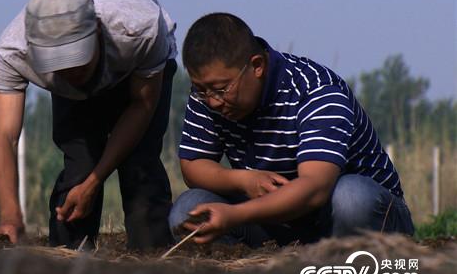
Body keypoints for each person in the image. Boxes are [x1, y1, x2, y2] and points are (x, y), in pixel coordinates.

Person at [169, 13, 415, 246]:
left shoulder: (316, 91)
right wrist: (243, 180)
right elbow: (193, 164)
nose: (212, 101)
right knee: (186, 212)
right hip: (279, 219)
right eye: (202, 90)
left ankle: (341, 270)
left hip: (351, 214)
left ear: (256, 66)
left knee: (351, 197)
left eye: (221, 89)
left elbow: (315, 188)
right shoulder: (207, 96)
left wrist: (235, 214)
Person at [0, 0, 178, 250]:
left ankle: (152, 254)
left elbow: (142, 105)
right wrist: (10, 215)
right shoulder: (13, 51)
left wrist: (96, 181)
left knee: (140, 166)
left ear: (98, 33)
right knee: (79, 166)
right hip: (81, 88)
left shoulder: (140, 29)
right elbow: (4, 136)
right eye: (58, 66)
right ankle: (67, 257)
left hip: (137, 72)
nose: (69, 73)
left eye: (77, 62)